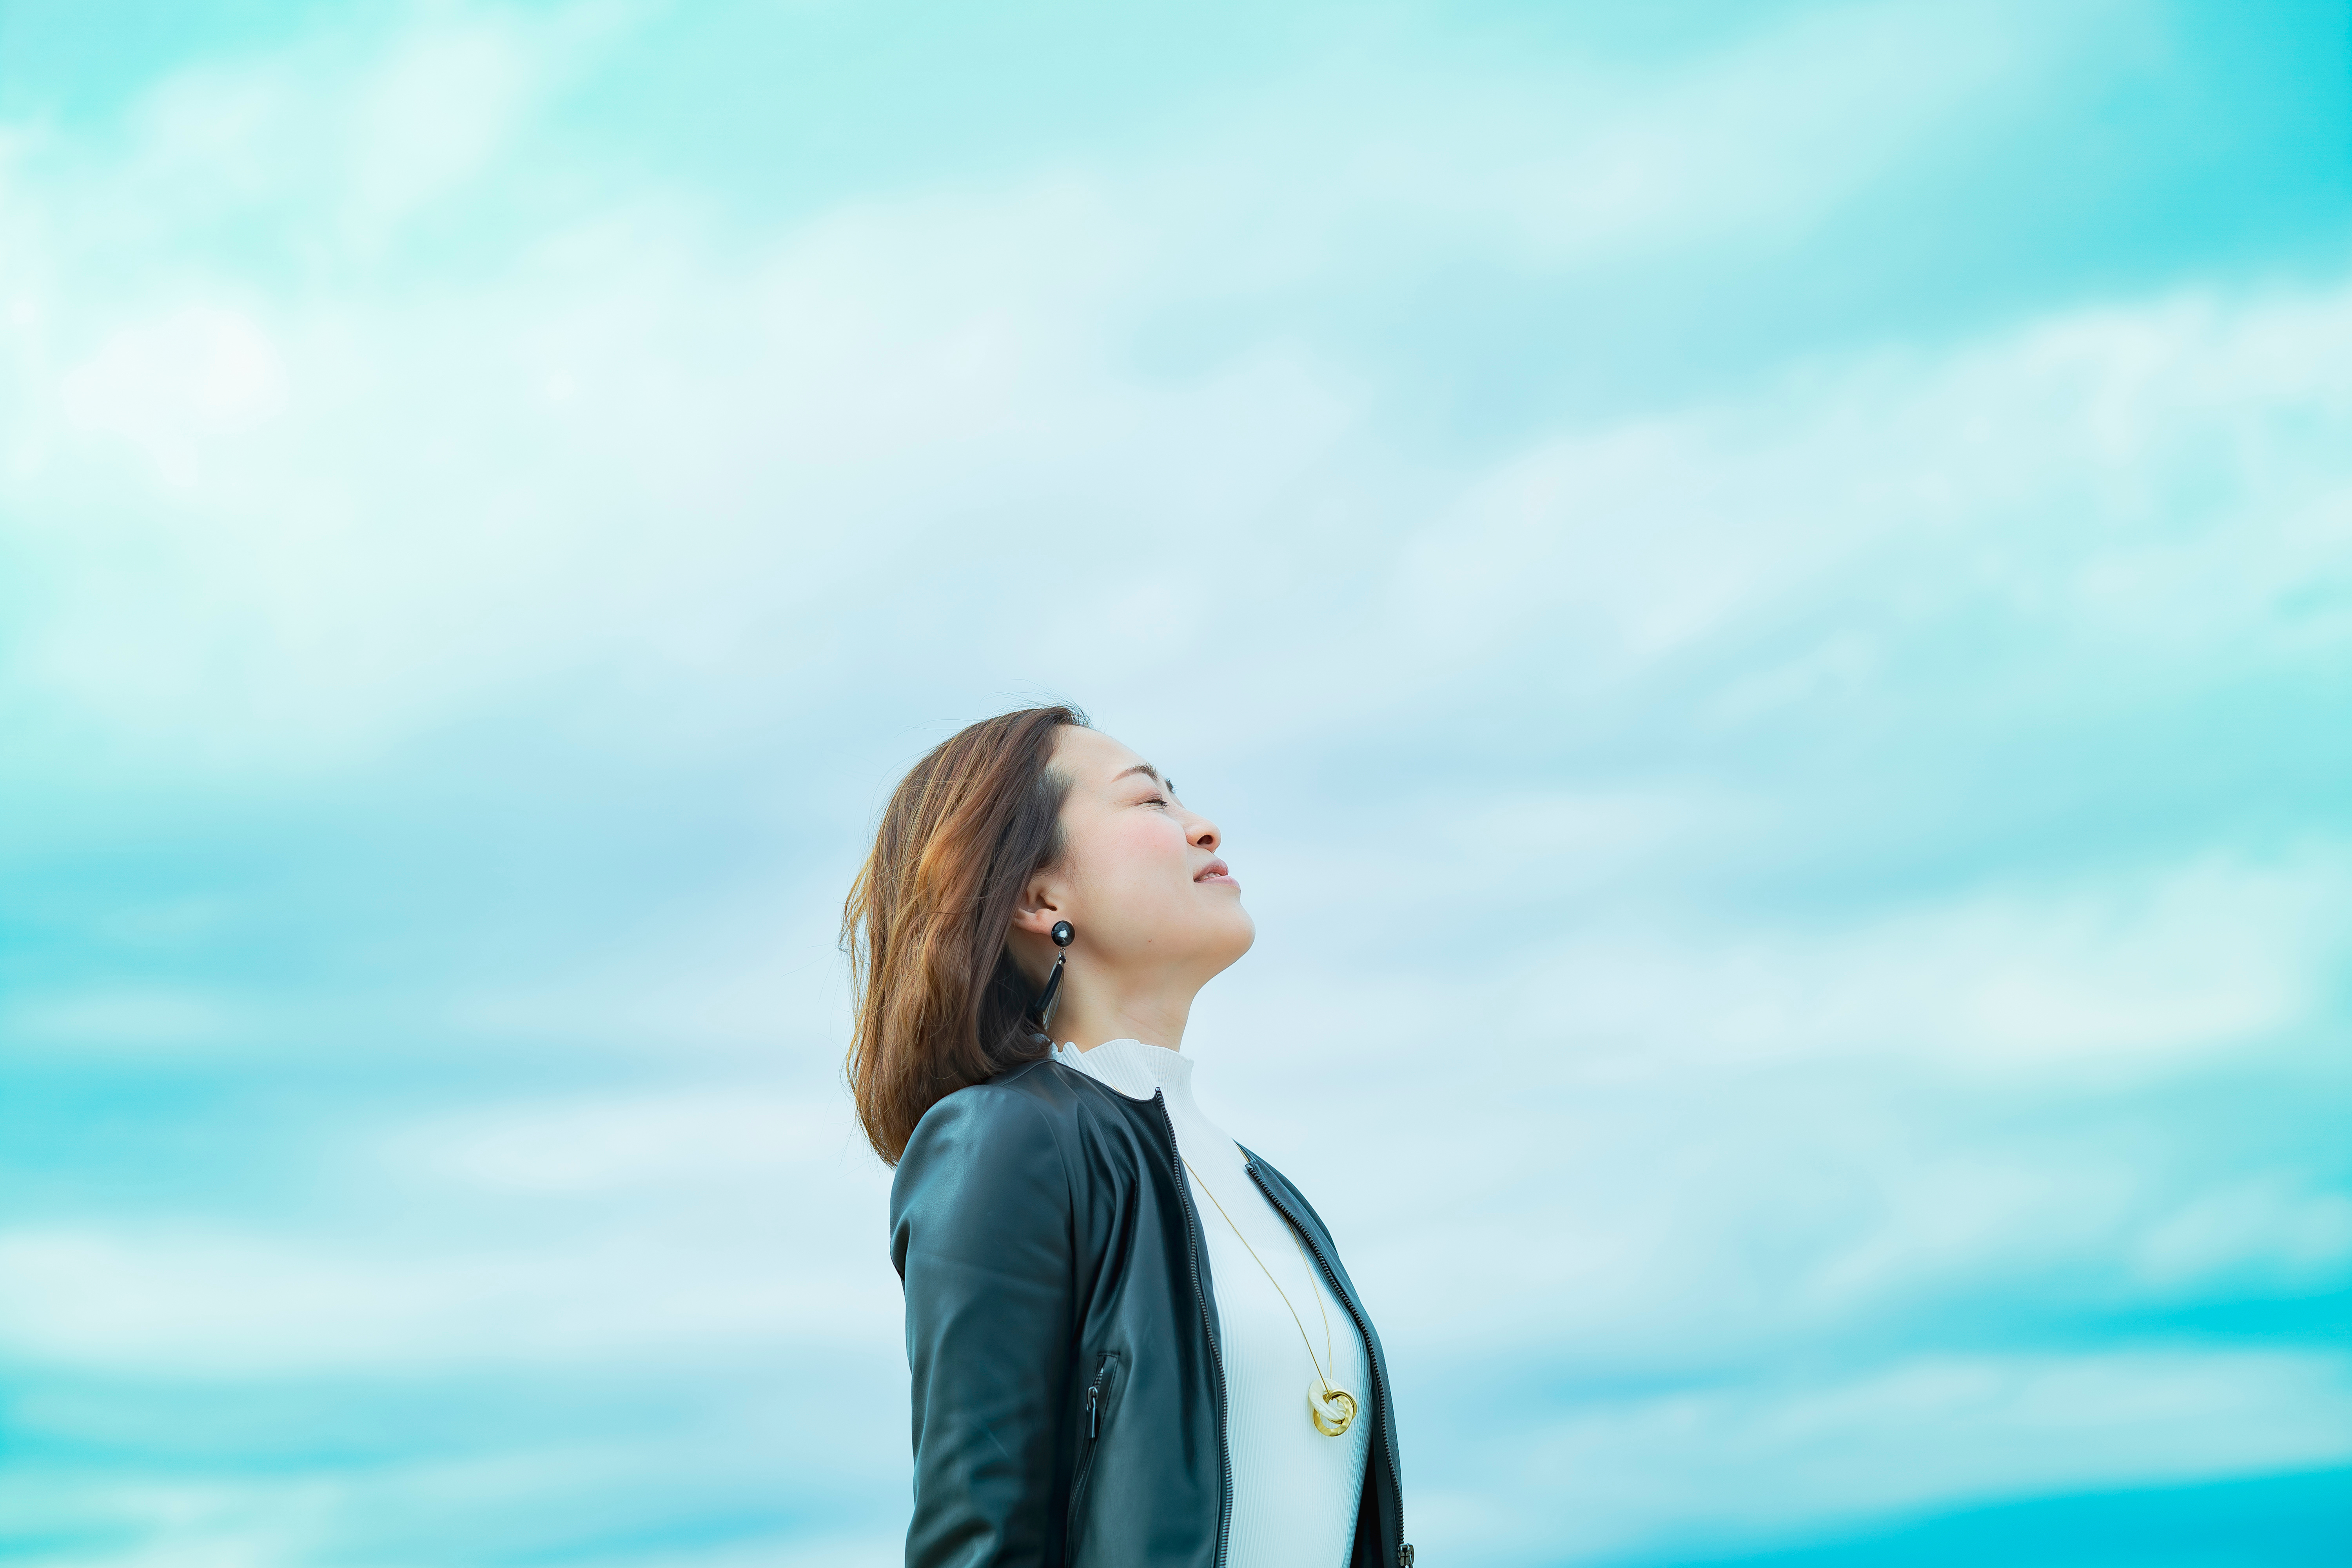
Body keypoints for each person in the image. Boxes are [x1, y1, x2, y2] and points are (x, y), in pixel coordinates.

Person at [843, 704, 1412, 1568]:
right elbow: (979, 1541)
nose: (1203, 824)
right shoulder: (1005, 1140)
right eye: (1150, 801)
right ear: (1039, 895)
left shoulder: (1267, 1188)